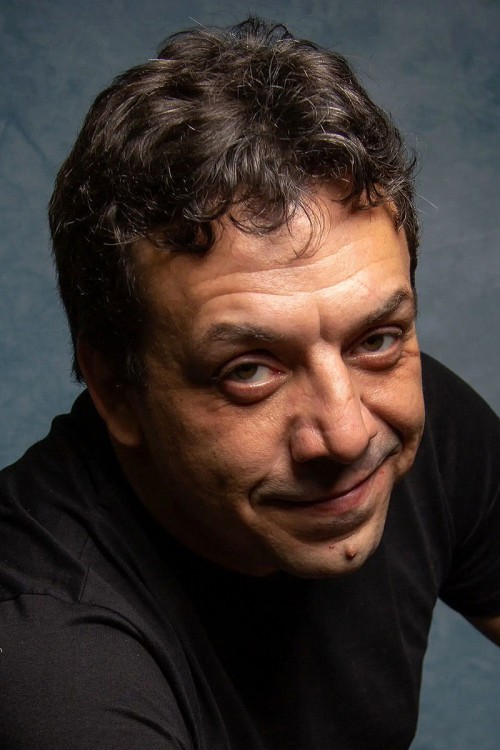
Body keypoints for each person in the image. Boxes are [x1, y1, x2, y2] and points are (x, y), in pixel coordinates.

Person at [0, 16, 498, 750]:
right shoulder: (52, 664)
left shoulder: (410, 424)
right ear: (115, 388)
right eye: (251, 371)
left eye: (376, 338)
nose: (348, 434)